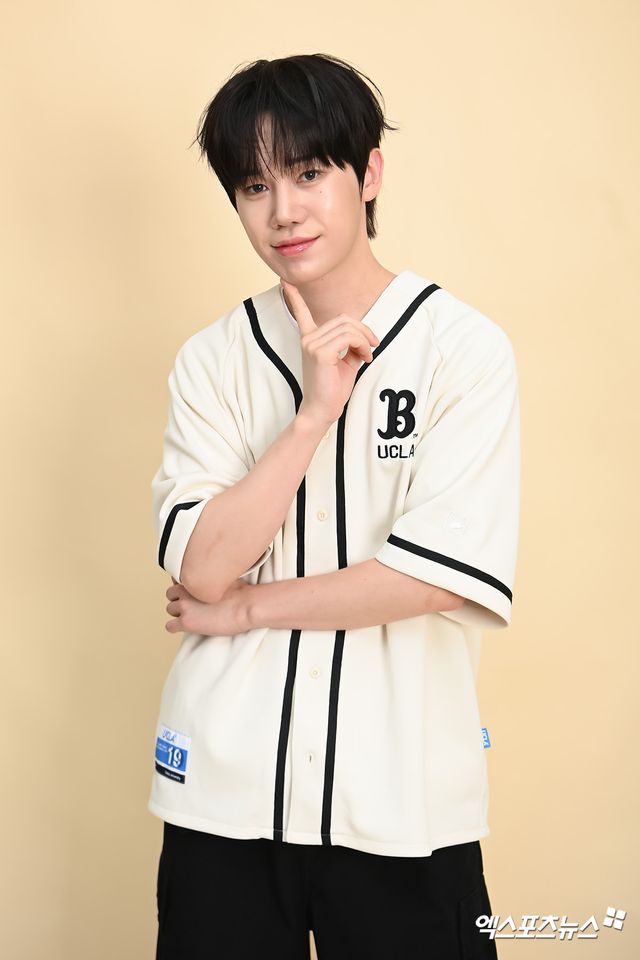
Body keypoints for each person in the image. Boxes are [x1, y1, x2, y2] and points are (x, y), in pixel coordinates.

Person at [150, 52, 520, 959]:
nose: (284, 210)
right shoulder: (213, 359)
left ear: (370, 174)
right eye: (254, 186)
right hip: (224, 797)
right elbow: (203, 567)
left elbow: (430, 578)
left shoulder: (462, 350)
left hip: (404, 802)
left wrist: (247, 609)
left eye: (310, 172)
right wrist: (313, 416)